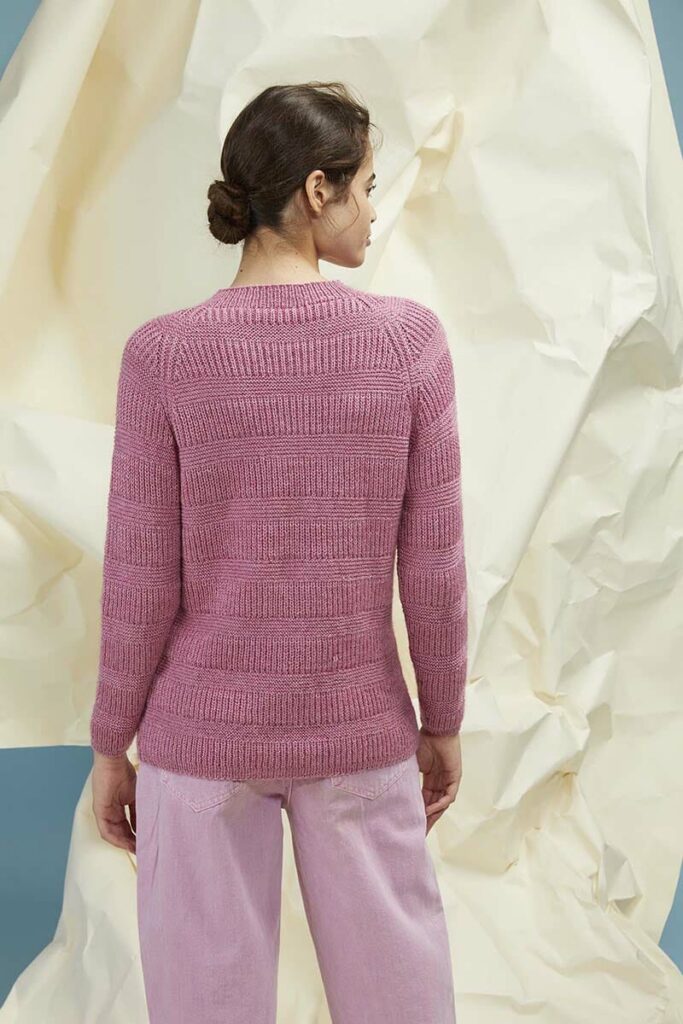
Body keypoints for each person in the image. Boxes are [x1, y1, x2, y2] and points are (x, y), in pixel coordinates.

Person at [90, 80, 467, 1024]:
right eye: (366, 187)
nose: (373, 211)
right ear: (315, 189)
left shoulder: (163, 356)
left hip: (200, 739)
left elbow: (139, 578)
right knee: (400, 1001)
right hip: (359, 728)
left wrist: (110, 744)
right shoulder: (407, 345)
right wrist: (443, 718)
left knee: (204, 1004)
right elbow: (433, 565)